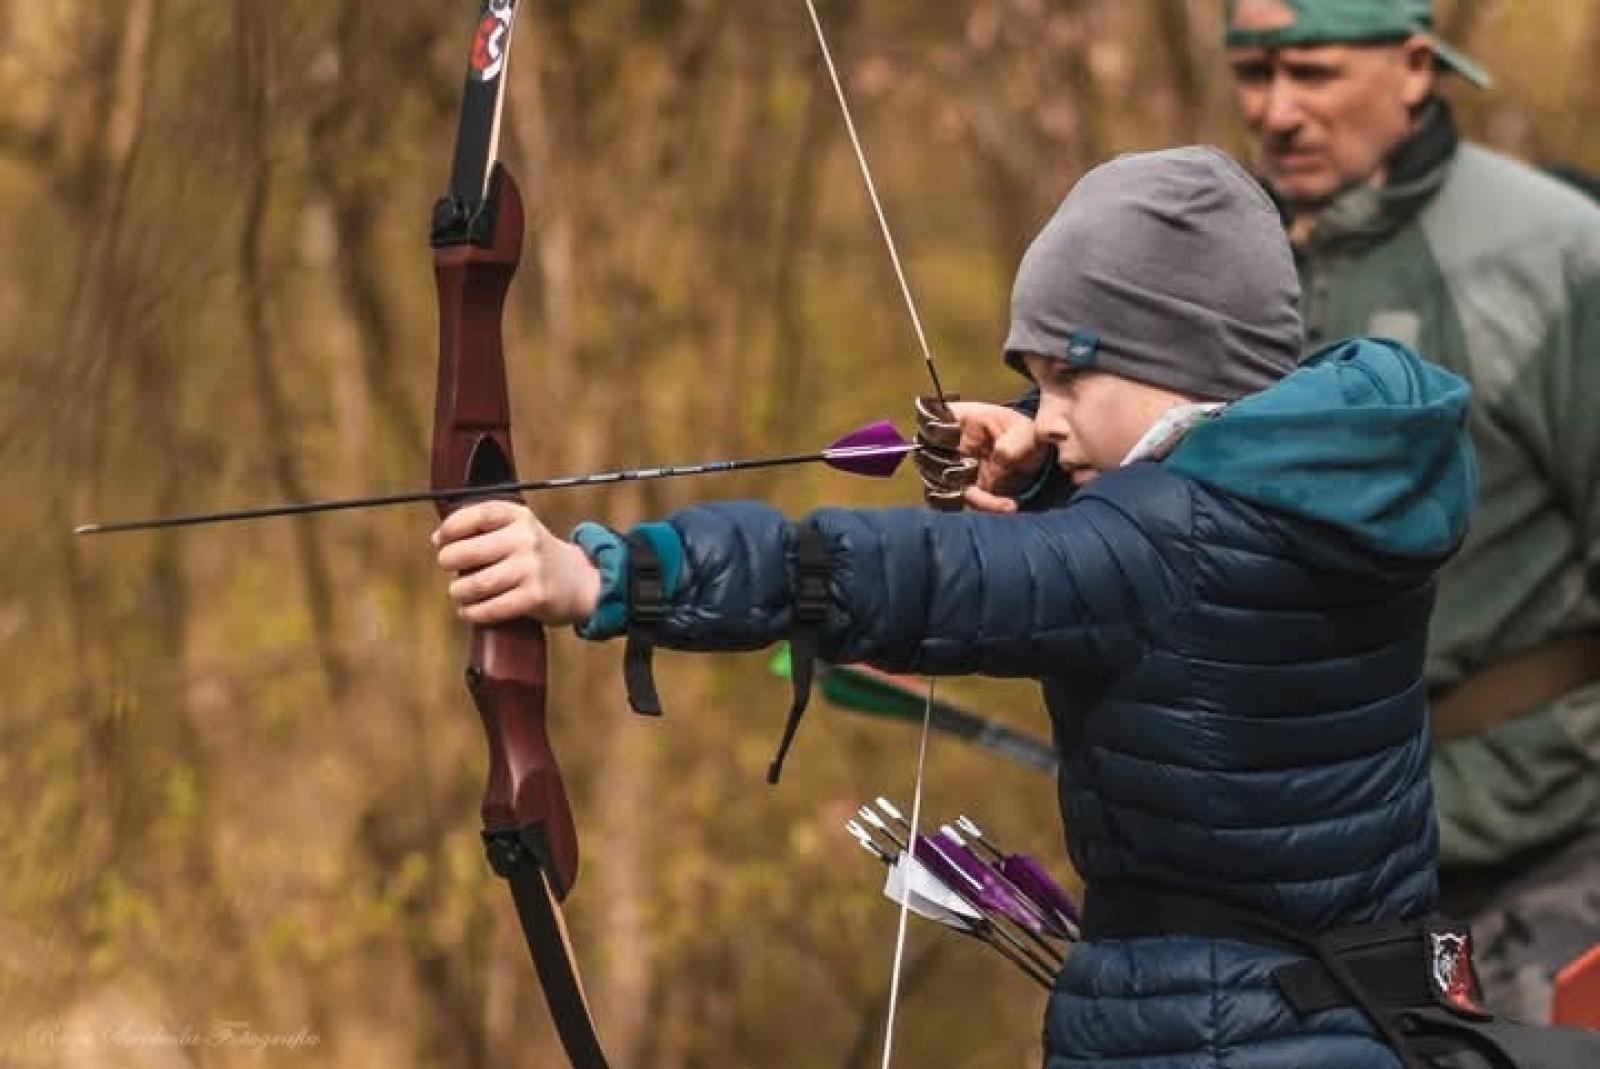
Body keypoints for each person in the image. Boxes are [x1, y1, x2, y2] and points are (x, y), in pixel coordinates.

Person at [435, 146, 1481, 1067]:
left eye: (1065, 381)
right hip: (1360, 1018)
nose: (1045, 413)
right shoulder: (1342, 482)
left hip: (1213, 1037)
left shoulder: (1155, 549)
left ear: (1175, 359)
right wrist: (1049, 469)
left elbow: (907, 574)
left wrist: (616, 578)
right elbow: (1184, 541)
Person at [1221, 0, 1600, 1024]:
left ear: (1415, 67)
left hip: (1546, 850)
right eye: (1253, 76)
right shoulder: (1225, 262)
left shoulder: (1560, 256)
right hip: (1303, 853)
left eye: (1312, 72)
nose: (1277, 110)